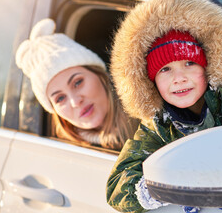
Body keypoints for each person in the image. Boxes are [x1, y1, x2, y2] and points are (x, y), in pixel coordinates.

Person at [106, 0, 222, 212]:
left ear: (208, 65)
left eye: (189, 63)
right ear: (151, 82)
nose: (179, 78)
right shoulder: (158, 126)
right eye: (165, 69)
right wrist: (167, 183)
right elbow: (117, 188)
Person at [15, 18, 139, 150]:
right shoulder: (65, 156)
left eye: (78, 82)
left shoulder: (152, 119)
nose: (75, 101)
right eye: (60, 98)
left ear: (100, 75)